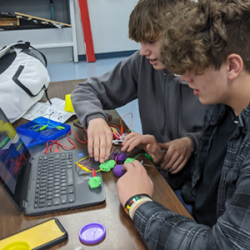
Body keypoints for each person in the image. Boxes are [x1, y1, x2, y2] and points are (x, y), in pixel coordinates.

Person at [117, 0, 250, 249]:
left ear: (232, 66)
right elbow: (211, 177)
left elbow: (222, 245)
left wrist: (138, 203)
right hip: (191, 213)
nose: (185, 78)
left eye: (194, 68)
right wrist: (162, 158)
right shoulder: (223, 105)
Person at [71, 0, 206, 174]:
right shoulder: (143, 64)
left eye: (150, 41)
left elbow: (230, 137)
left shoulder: (208, 73)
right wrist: (95, 119)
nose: (143, 51)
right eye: (140, 42)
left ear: (179, 34)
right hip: (158, 171)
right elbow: (84, 91)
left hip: (199, 183)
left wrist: (192, 142)